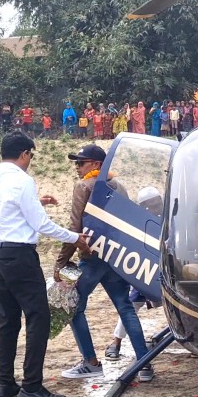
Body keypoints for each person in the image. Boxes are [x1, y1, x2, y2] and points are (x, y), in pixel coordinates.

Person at [0, 131, 90, 397]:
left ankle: (5, 383)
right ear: (24, 154)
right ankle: (32, 386)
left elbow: (8, 210)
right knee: (38, 317)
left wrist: (37, 202)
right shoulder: (22, 180)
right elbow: (41, 225)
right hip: (20, 255)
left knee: (9, 319)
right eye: (30, 155)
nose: (30, 160)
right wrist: (74, 238)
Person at [54, 145, 155, 383]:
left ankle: (90, 362)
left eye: (81, 163)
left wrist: (61, 262)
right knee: (125, 308)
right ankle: (144, 363)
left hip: (91, 258)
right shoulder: (119, 185)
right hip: (116, 257)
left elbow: (74, 228)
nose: (77, 167)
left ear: (96, 165)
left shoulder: (83, 187)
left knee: (75, 307)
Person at [103, 187, 164, 362]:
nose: (155, 205)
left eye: (156, 201)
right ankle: (116, 343)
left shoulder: (168, 218)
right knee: (132, 306)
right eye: (151, 203)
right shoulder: (139, 222)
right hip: (147, 269)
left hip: (165, 269)